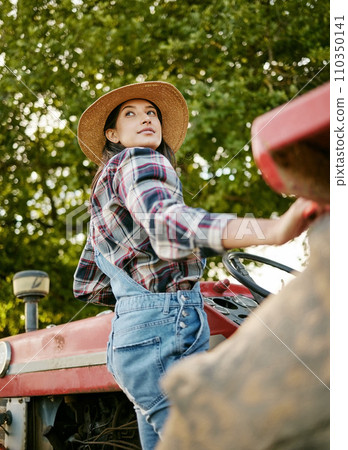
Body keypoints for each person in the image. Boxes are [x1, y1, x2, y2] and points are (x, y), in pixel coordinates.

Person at [73, 81, 324, 450]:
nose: (146, 119)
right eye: (131, 114)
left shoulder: (106, 184)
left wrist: (138, 304)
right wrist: (272, 230)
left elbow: (90, 282)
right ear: (112, 133)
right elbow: (166, 224)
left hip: (132, 338)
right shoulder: (138, 160)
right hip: (163, 332)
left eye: (152, 114)